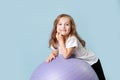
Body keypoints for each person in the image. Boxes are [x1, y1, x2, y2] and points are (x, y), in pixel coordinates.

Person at [46, 14, 106, 80]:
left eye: (67, 24)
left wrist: (61, 41)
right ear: (56, 26)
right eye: (60, 24)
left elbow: (66, 55)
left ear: (71, 27)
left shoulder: (72, 39)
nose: (63, 27)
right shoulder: (56, 38)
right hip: (78, 64)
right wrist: (52, 54)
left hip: (91, 61)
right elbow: (55, 50)